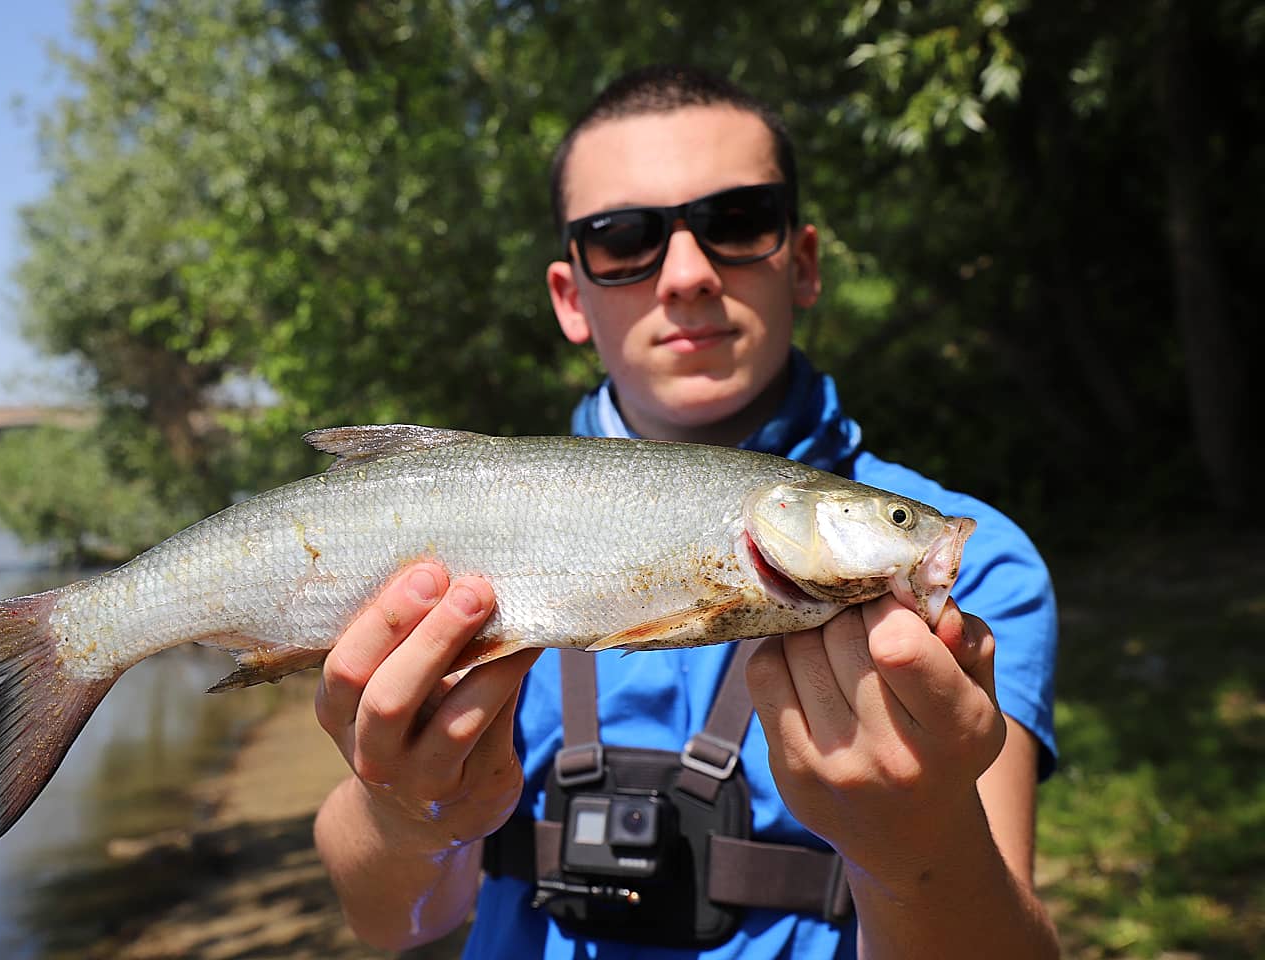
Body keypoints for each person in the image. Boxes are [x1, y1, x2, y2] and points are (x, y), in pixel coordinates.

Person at [313, 64, 1060, 959]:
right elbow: (392, 924)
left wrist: (923, 849)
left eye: (737, 223)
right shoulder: (462, 522)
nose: (687, 274)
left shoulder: (992, 569)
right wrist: (405, 815)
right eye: (622, 239)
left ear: (806, 261)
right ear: (569, 296)